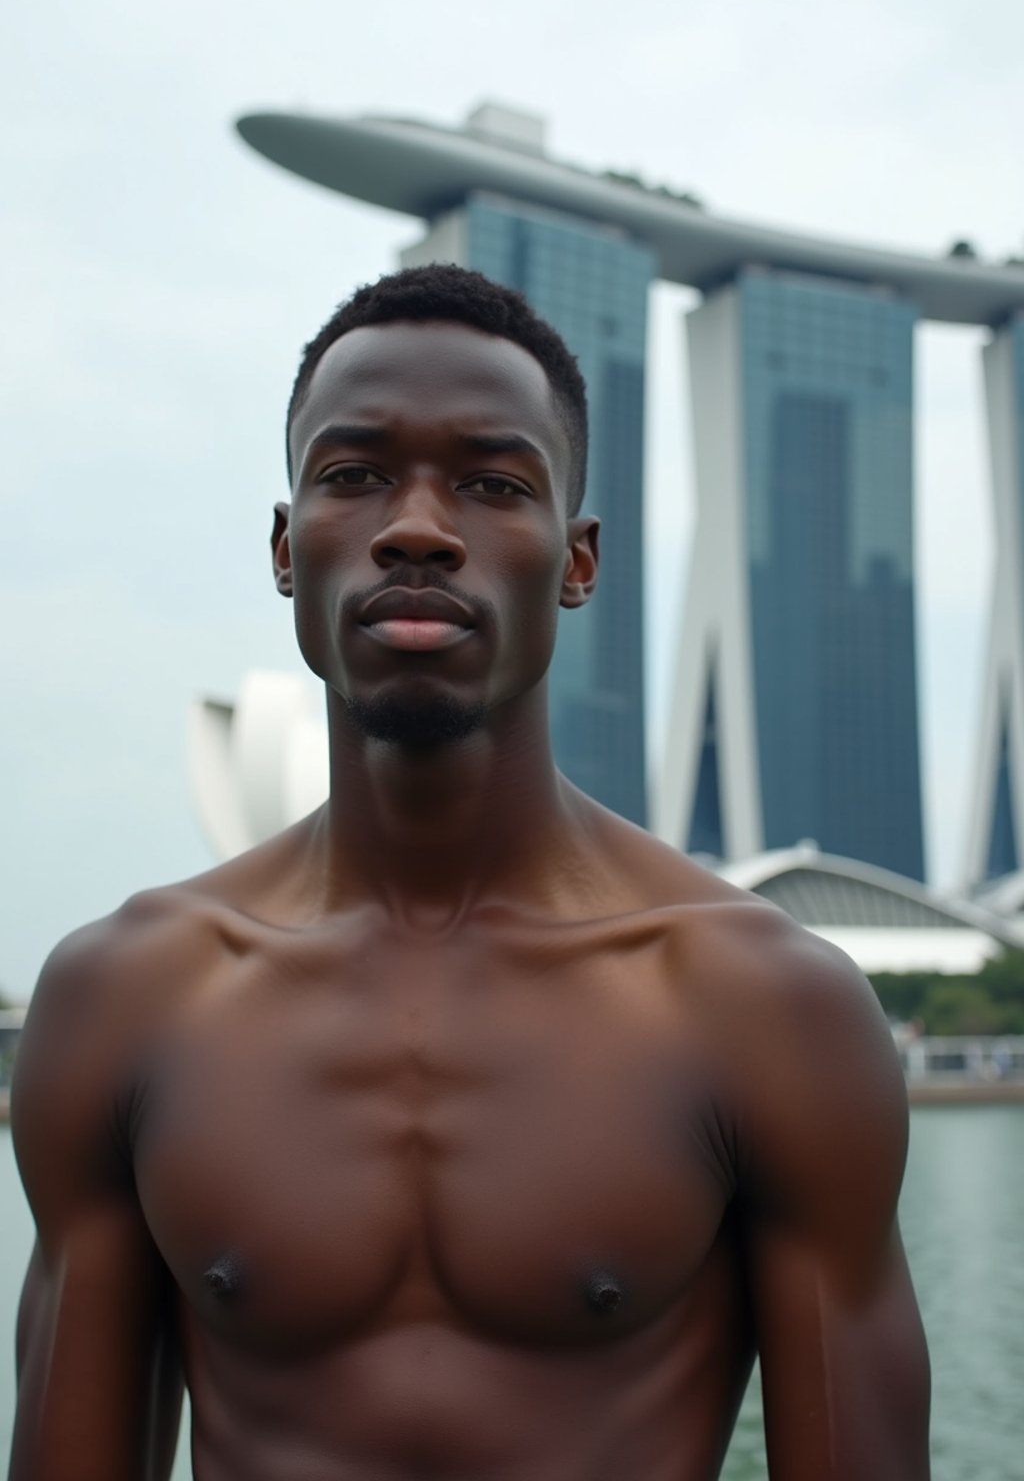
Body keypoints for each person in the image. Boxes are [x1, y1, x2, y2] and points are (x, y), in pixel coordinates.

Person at [10, 264, 930, 1480]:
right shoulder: (126, 999)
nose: (418, 527)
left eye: (494, 485)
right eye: (353, 476)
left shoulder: (763, 1007)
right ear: (287, 546)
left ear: (577, 559)